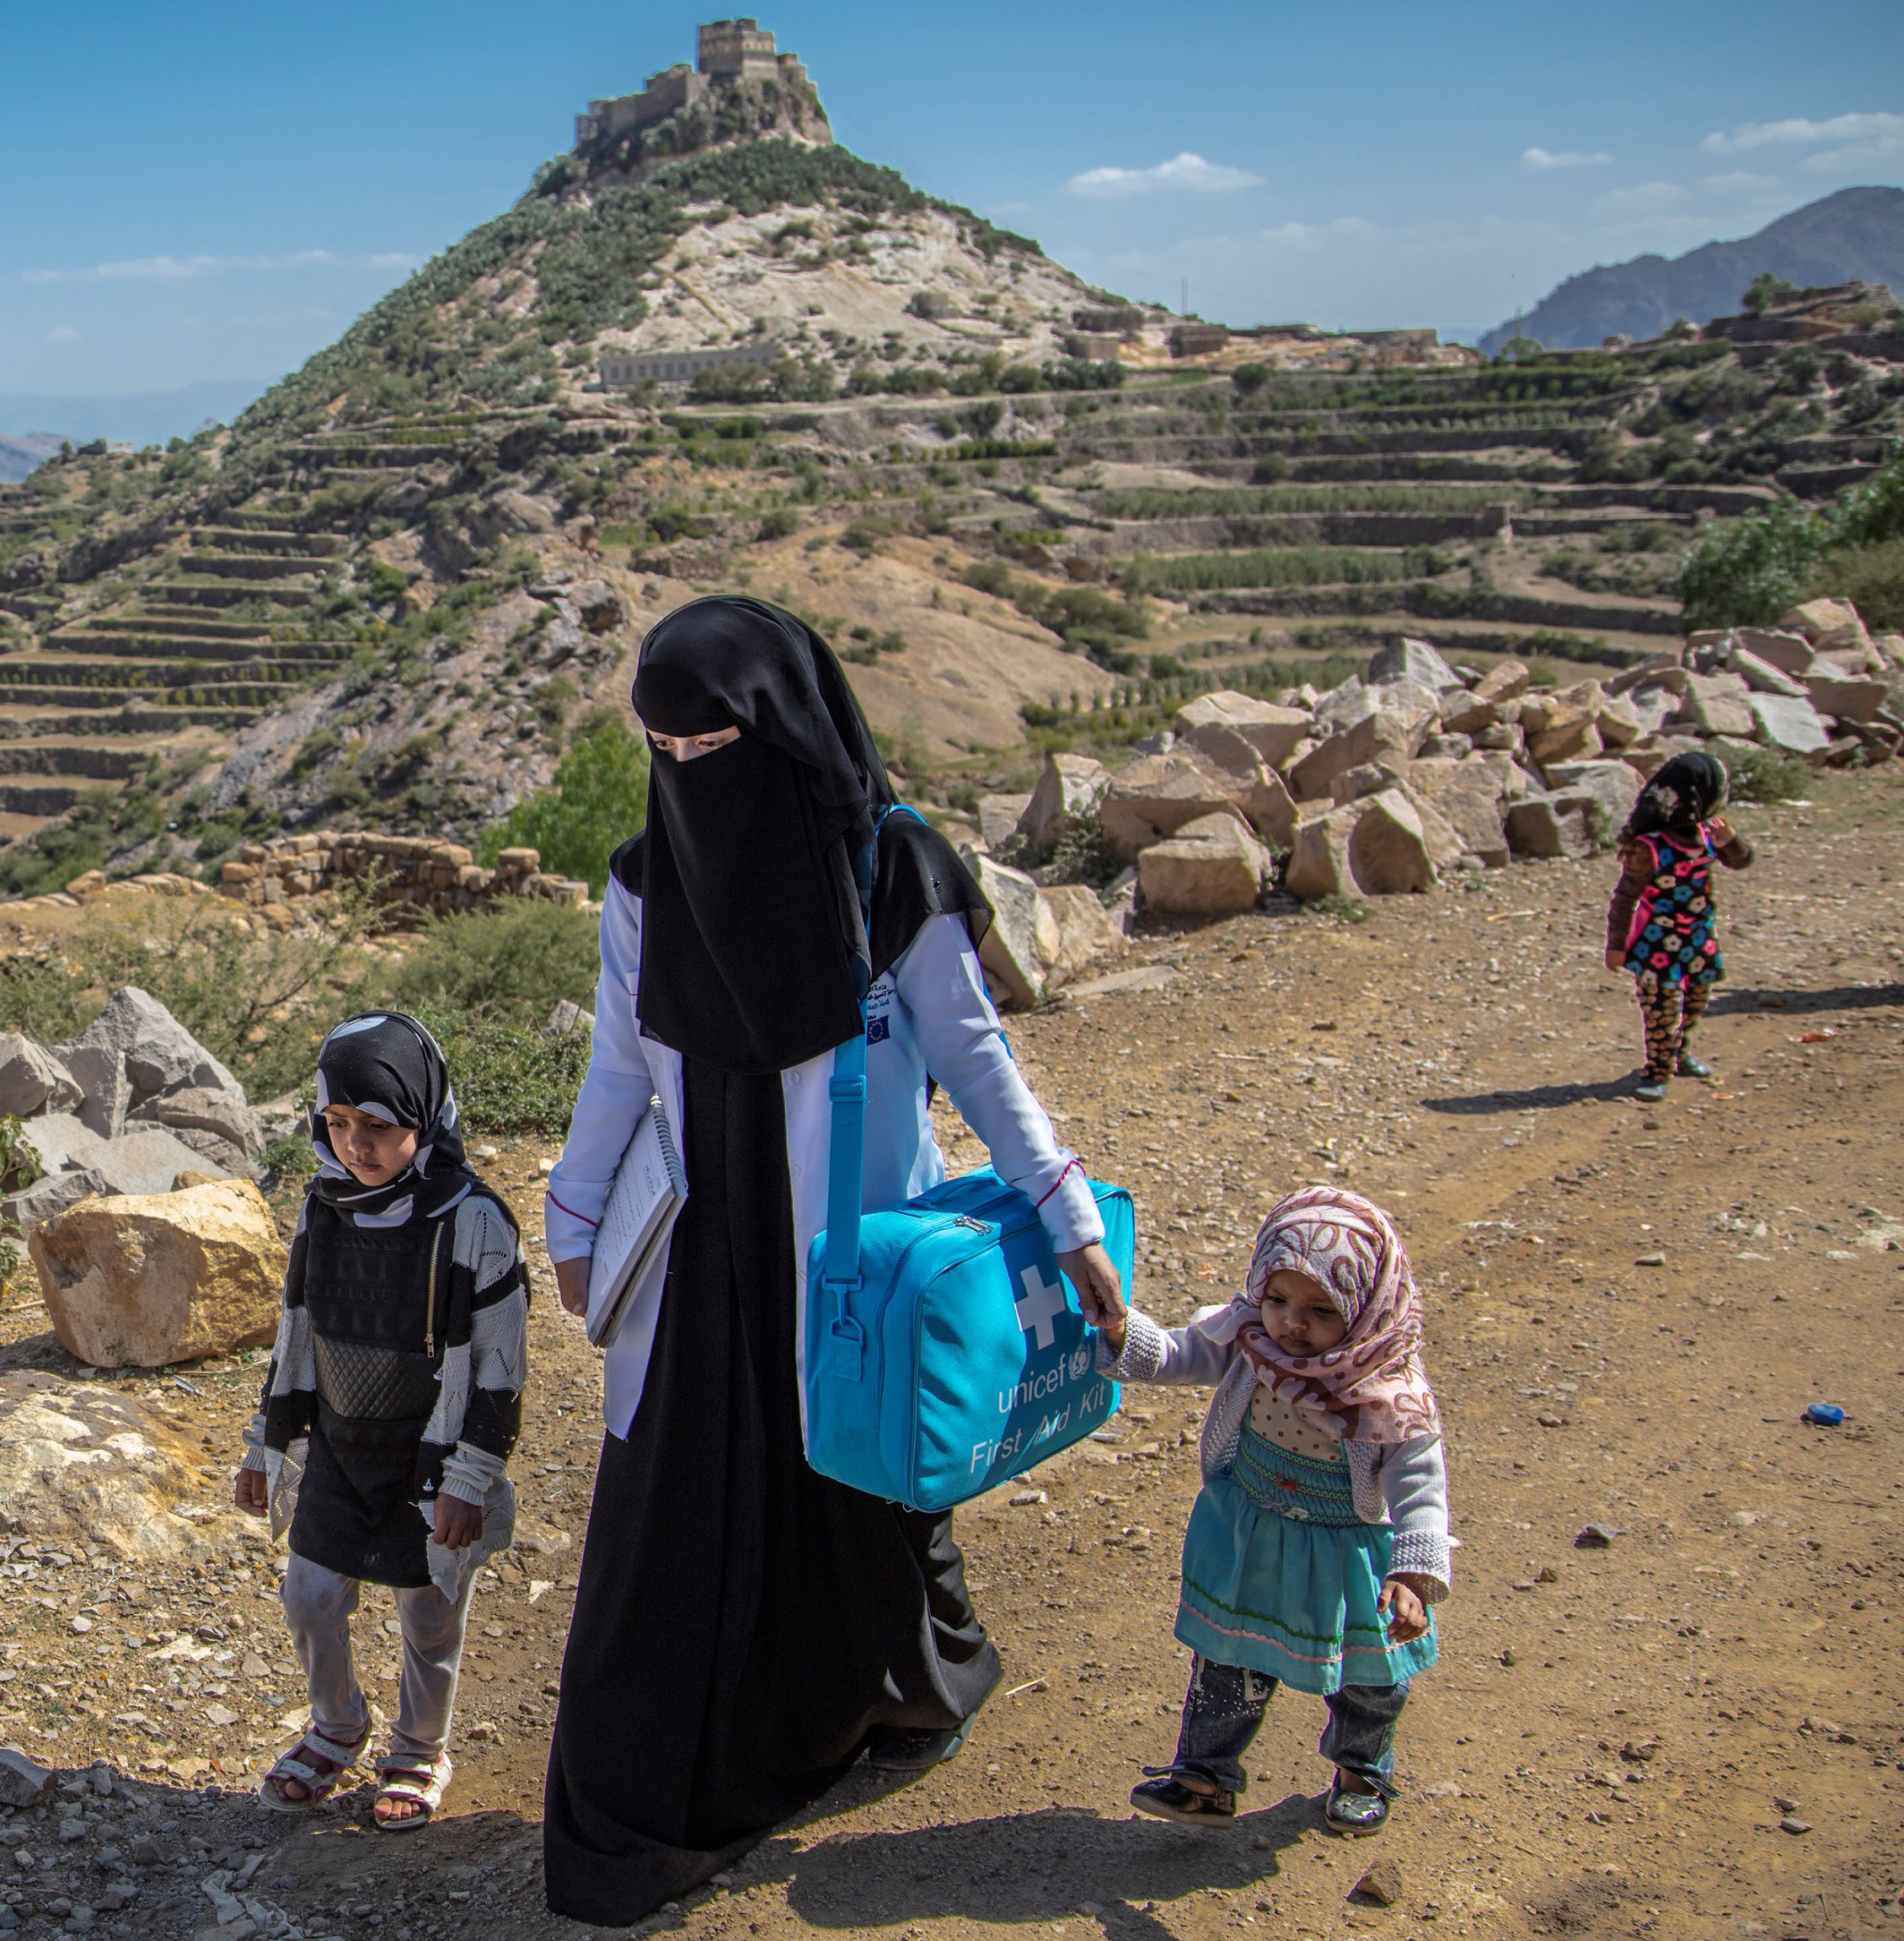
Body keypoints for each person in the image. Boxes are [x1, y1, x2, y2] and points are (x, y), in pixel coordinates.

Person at [537, 596, 1124, 1924]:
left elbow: (977, 1058)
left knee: (860, 1491)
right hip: (697, 1265)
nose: (691, 780)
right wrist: (575, 1227)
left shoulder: (888, 870)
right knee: (672, 1533)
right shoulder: (648, 879)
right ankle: (645, 1811)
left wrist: (1069, 1218)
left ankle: (891, 1693)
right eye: (665, 755)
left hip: (846, 1269)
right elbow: (619, 1067)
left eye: (714, 749)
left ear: (783, 729)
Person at [233, 1011, 529, 1831]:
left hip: (427, 1455)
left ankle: (418, 1748)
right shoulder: (322, 1208)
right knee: (310, 1596)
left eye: (378, 1126)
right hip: (338, 1445)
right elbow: (297, 1328)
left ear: (424, 1118)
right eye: (337, 1123)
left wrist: (470, 1476)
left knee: (427, 1613)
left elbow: (500, 1369)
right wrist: (266, 1442)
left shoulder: (474, 1222)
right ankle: (336, 1726)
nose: (355, 1144)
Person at [1097, 1185, 1452, 1837]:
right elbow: (1183, 1354)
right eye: (1280, 1299)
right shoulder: (1251, 1338)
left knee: (1367, 1676)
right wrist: (1123, 1331)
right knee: (1229, 1659)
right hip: (1255, 1531)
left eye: (1321, 1310)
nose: (1292, 1323)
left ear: (1369, 1306)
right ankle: (1204, 1778)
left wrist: (1413, 1573)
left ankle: (1362, 1770)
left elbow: (1420, 1484)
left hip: (1348, 1551)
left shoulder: (1390, 1390)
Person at [1603, 750, 1753, 1104]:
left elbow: (1742, 862)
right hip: (1656, 946)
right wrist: (1617, 945)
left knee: (1695, 1001)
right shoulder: (1650, 847)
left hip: (1698, 941)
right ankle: (1656, 1070)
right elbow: (1625, 899)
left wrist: (1731, 842)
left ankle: (1679, 1054)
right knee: (1661, 1008)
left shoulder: (1708, 835)